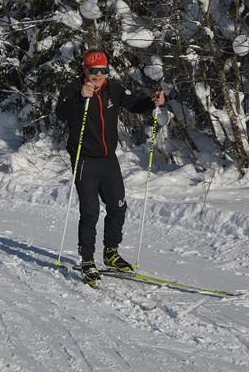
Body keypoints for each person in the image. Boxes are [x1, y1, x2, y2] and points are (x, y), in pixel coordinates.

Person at [55, 50, 166, 285]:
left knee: (118, 206)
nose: (98, 75)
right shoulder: (73, 89)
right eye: (93, 70)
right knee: (90, 211)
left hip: (108, 159)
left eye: (103, 70)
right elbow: (61, 113)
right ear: (84, 70)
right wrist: (79, 97)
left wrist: (152, 101)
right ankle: (87, 260)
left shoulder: (113, 88)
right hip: (84, 159)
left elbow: (135, 104)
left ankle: (111, 252)